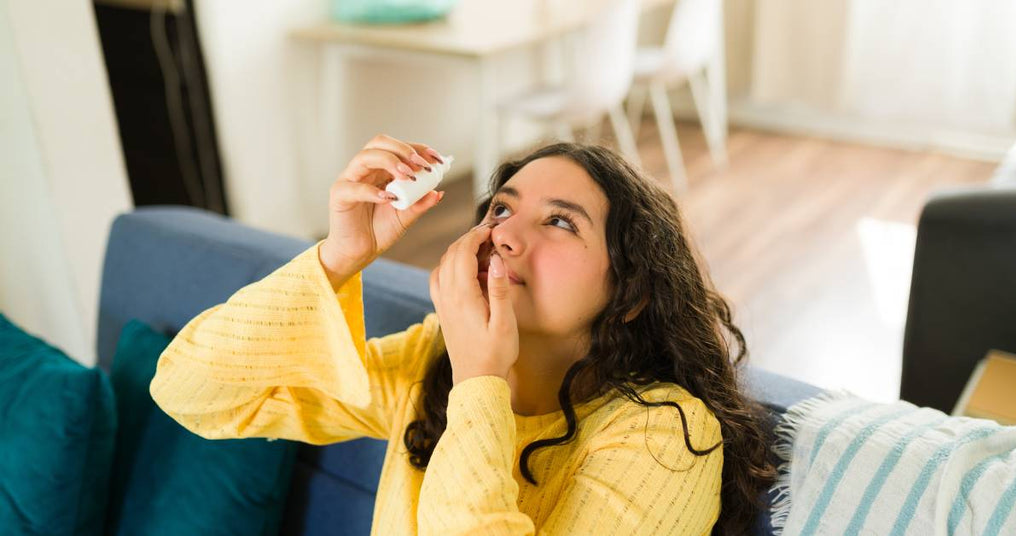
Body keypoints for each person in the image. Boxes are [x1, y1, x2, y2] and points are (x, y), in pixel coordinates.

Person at [150, 134, 776, 535]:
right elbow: (191, 392)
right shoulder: (429, 359)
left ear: (631, 293)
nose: (503, 233)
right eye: (501, 208)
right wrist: (338, 258)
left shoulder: (665, 431)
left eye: (560, 221)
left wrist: (482, 381)